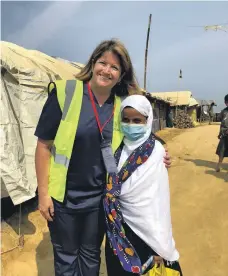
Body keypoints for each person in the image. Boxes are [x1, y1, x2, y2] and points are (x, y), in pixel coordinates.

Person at [34, 39, 172, 276]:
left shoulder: (121, 105)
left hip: (100, 200)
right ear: (93, 63)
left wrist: (161, 153)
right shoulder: (66, 93)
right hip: (62, 198)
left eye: (115, 67)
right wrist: (43, 194)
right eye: (103, 63)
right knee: (66, 258)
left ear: (121, 75)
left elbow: (141, 135)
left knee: (90, 255)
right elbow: (43, 146)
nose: (107, 70)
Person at [104, 95, 182, 276]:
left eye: (137, 120)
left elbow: (158, 199)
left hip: (148, 231)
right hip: (119, 226)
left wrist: (159, 244)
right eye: (126, 119)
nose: (131, 125)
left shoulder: (156, 150)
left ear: (147, 121)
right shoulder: (116, 147)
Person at [216, 94, 228, 172]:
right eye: (226, 102)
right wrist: (220, 133)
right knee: (222, 150)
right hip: (224, 134)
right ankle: (219, 165)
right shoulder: (224, 111)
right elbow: (221, 121)